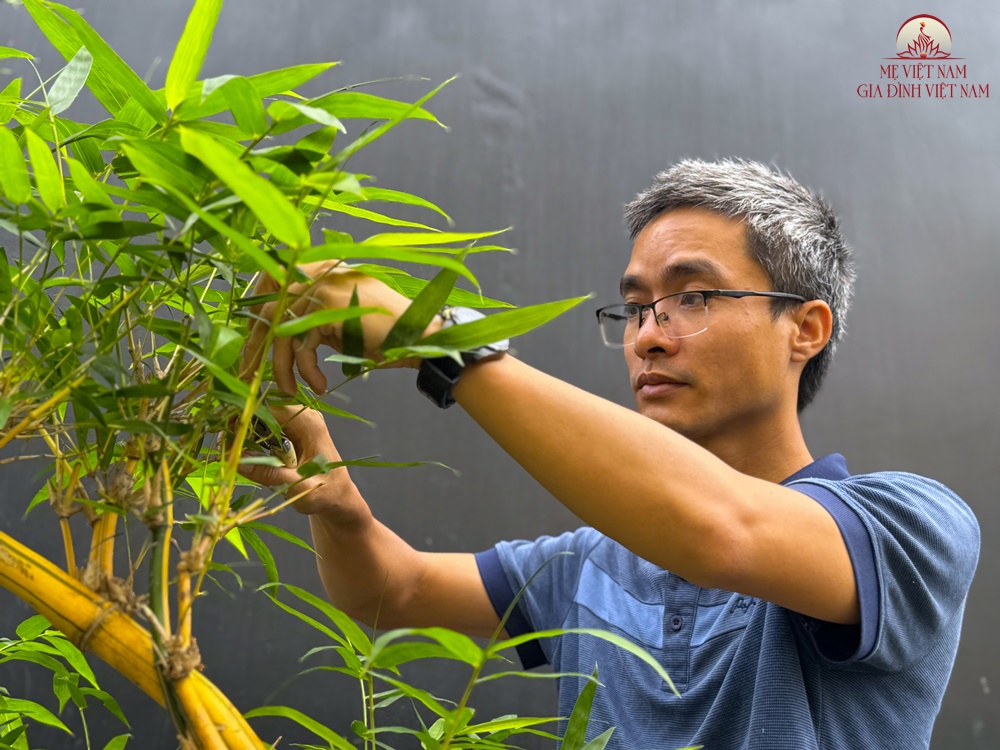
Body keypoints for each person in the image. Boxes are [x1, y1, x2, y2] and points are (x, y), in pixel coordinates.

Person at [236, 158, 980, 749]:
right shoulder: (596, 562)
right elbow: (392, 592)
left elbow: (723, 531)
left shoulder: (911, 528)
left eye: (694, 297)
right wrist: (335, 505)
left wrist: (440, 342)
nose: (648, 335)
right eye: (634, 307)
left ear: (805, 328)